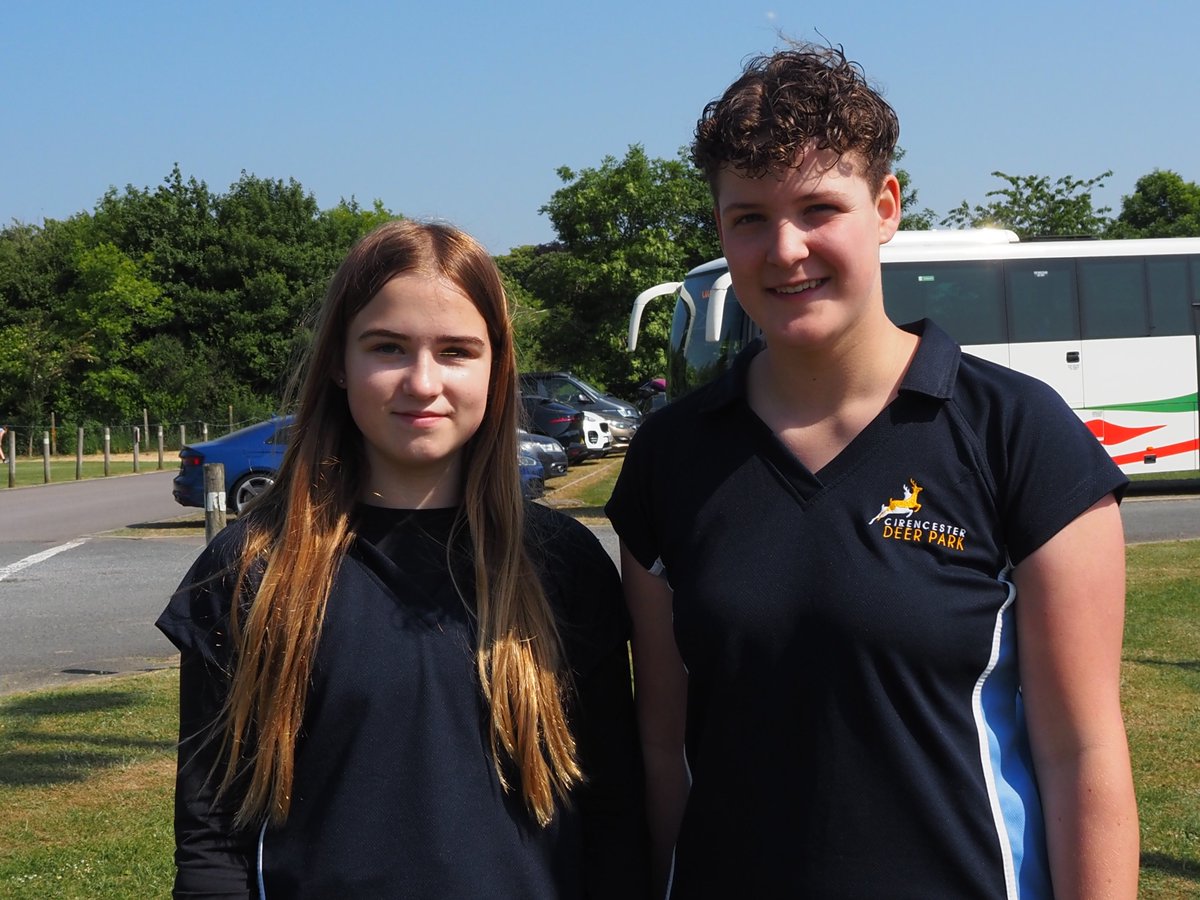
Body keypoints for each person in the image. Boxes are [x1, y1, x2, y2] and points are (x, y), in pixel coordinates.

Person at [606, 44, 1139, 899]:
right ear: (720, 230)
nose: (786, 250)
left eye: (819, 207)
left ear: (886, 207)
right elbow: (664, 750)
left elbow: (1083, 751)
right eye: (749, 217)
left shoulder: (1017, 433)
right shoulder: (672, 458)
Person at [158, 220, 648, 898]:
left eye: (456, 351)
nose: (423, 382)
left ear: (496, 366)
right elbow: (213, 845)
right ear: (339, 360)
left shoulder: (561, 566)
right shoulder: (250, 571)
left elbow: (617, 819)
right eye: (388, 347)